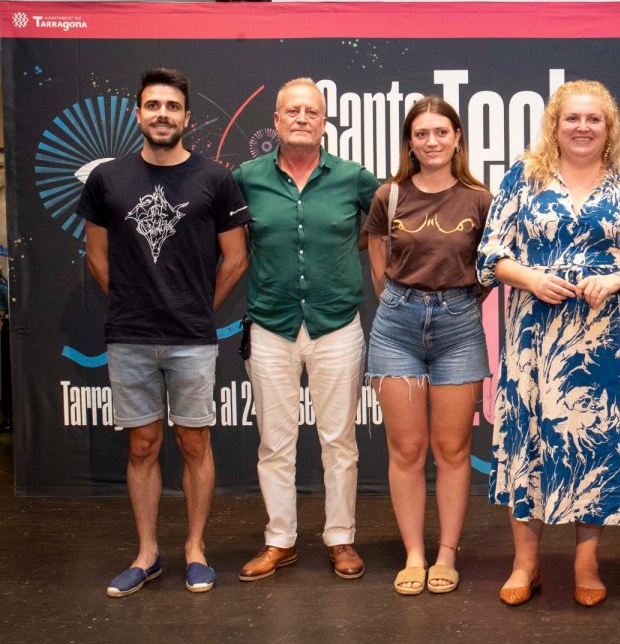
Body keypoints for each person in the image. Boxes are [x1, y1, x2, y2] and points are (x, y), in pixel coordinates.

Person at [478, 79, 620, 607]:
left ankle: (587, 561)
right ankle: (526, 564)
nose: (583, 127)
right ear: (555, 125)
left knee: (597, 445)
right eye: (572, 118)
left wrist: (616, 279)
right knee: (530, 445)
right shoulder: (523, 177)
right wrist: (531, 279)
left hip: (610, 346)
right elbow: (490, 254)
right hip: (535, 341)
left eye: (594, 119)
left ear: (609, 129)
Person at [77, 68, 249, 597]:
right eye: (152, 105)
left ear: (187, 118)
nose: (162, 115)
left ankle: (195, 550)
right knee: (142, 446)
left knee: (194, 441)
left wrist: (195, 309)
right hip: (128, 336)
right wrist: (136, 304)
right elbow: (97, 257)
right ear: (137, 113)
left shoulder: (216, 180)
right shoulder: (108, 180)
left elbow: (236, 258)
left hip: (192, 338)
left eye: (172, 107)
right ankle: (147, 554)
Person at [234, 78, 380, 582]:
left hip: (336, 325)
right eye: (291, 111)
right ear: (275, 121)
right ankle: (281, 541)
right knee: (275, 442)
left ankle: (341, 539)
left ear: (323, 123)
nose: (301, 118)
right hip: (270, 325)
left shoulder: (353, 177)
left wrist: (343, 252)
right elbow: (231, 243)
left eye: (311, 112)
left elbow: (385, 222)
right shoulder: (245, 178)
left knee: (338, 440)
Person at [364, 97, 492, 595]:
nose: (432, 141)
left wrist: (460, 302)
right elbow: (377, 247)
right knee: (407, 449)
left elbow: (491, 263)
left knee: (453, 449)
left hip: (459, 328)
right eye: (422, 133)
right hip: (396, 326)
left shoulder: (479, 199)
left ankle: (446, 555)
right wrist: (394, 296)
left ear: (457, 138)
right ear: (409, 142)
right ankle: (414, 553)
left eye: (442, 132)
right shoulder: (389, 196)